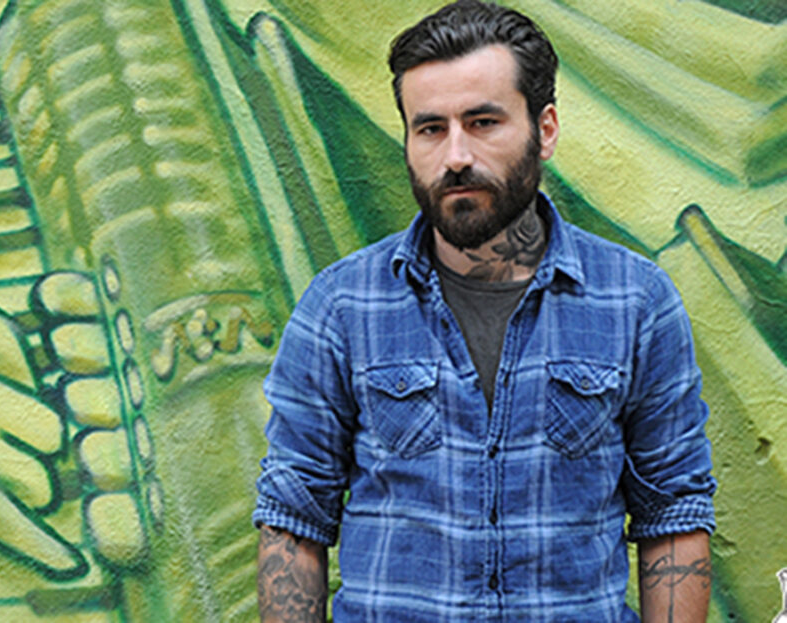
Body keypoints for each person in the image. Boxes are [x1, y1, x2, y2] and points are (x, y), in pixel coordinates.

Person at [252, 1, 716, 621]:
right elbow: (293, 520)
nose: (455, 156)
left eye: (483, 122)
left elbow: (673, 514)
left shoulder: (636, 302)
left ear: (544, 130)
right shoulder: (341, 306)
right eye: (430, 129)